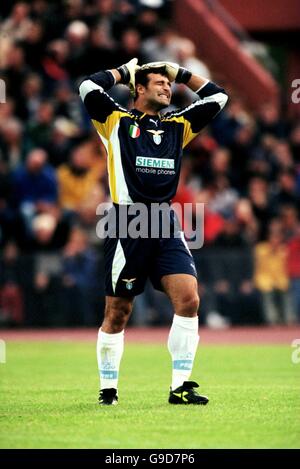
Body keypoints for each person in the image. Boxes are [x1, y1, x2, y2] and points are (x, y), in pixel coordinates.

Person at [79, 58, 228, 405]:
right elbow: (88, 86)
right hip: (127, 223)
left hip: (165, 222)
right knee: (118, 312)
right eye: (159, 82)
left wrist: (181, 73)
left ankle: (180, 387)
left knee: (189, 299)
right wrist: (125, 72)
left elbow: (218, 97)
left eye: (168, 83)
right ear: (139, 90)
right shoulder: (116, 120)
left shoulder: (178, 126)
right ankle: (108, 390)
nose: (167, 87)